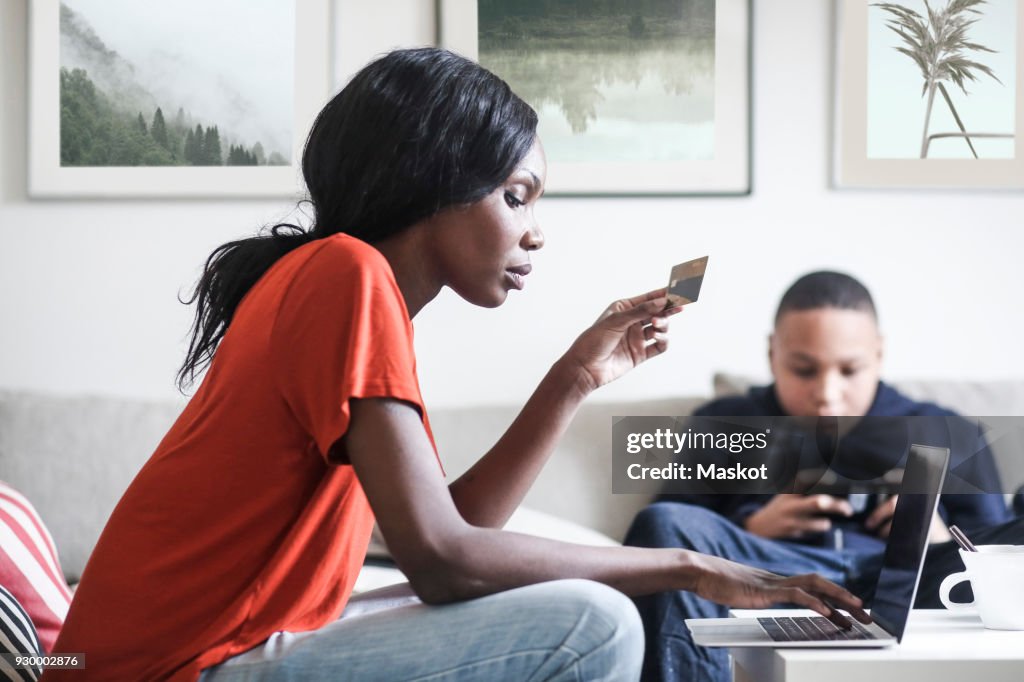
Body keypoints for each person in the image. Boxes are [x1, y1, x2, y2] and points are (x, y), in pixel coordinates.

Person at [45, 50, 867, 682]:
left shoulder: (346, 288)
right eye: (517, 195)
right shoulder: (345, 277)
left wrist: (574, 377)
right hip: (170, 668)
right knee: (597, 623)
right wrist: (693, 568)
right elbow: (443, 560)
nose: (536, 231)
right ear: (433, 178)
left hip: (196, 652)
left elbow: (451, 537)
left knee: (579, 603)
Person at [624, 270, 1024, 682]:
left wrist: (934, 535)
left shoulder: (948, 428)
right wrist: (752, 527)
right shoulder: (726, 422)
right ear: (772, 354)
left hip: (908, 579)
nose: (828, 393)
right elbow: (666, 536)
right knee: (663, 526)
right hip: (771, 575)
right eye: (804, 370)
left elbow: (1000, 551)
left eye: (850, 370)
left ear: (879, 354)